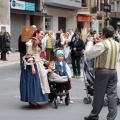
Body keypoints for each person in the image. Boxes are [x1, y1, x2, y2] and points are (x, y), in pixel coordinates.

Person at [84, 25, 120, 120]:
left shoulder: (102, 44)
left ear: (103, 34)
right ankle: (111, 117)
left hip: (102, 72)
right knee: (112, 95)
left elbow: (88, 53)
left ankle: (94, 115)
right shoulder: (117, 44)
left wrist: (90, 42)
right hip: (113, 71)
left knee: (98, 95)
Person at [20, 28, 52, 108]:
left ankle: (34, 100)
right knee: (33, 83)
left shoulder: (37, 42)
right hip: (32, 64)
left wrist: (43, 61)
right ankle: (32, 101)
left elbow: (37, 54)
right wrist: (32, 67)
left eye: (43, 34)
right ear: (37, 33)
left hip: (37, 63)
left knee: (38, 82)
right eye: (41, 34)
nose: (42, 35)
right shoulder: (30, 42)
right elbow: (29, 55)